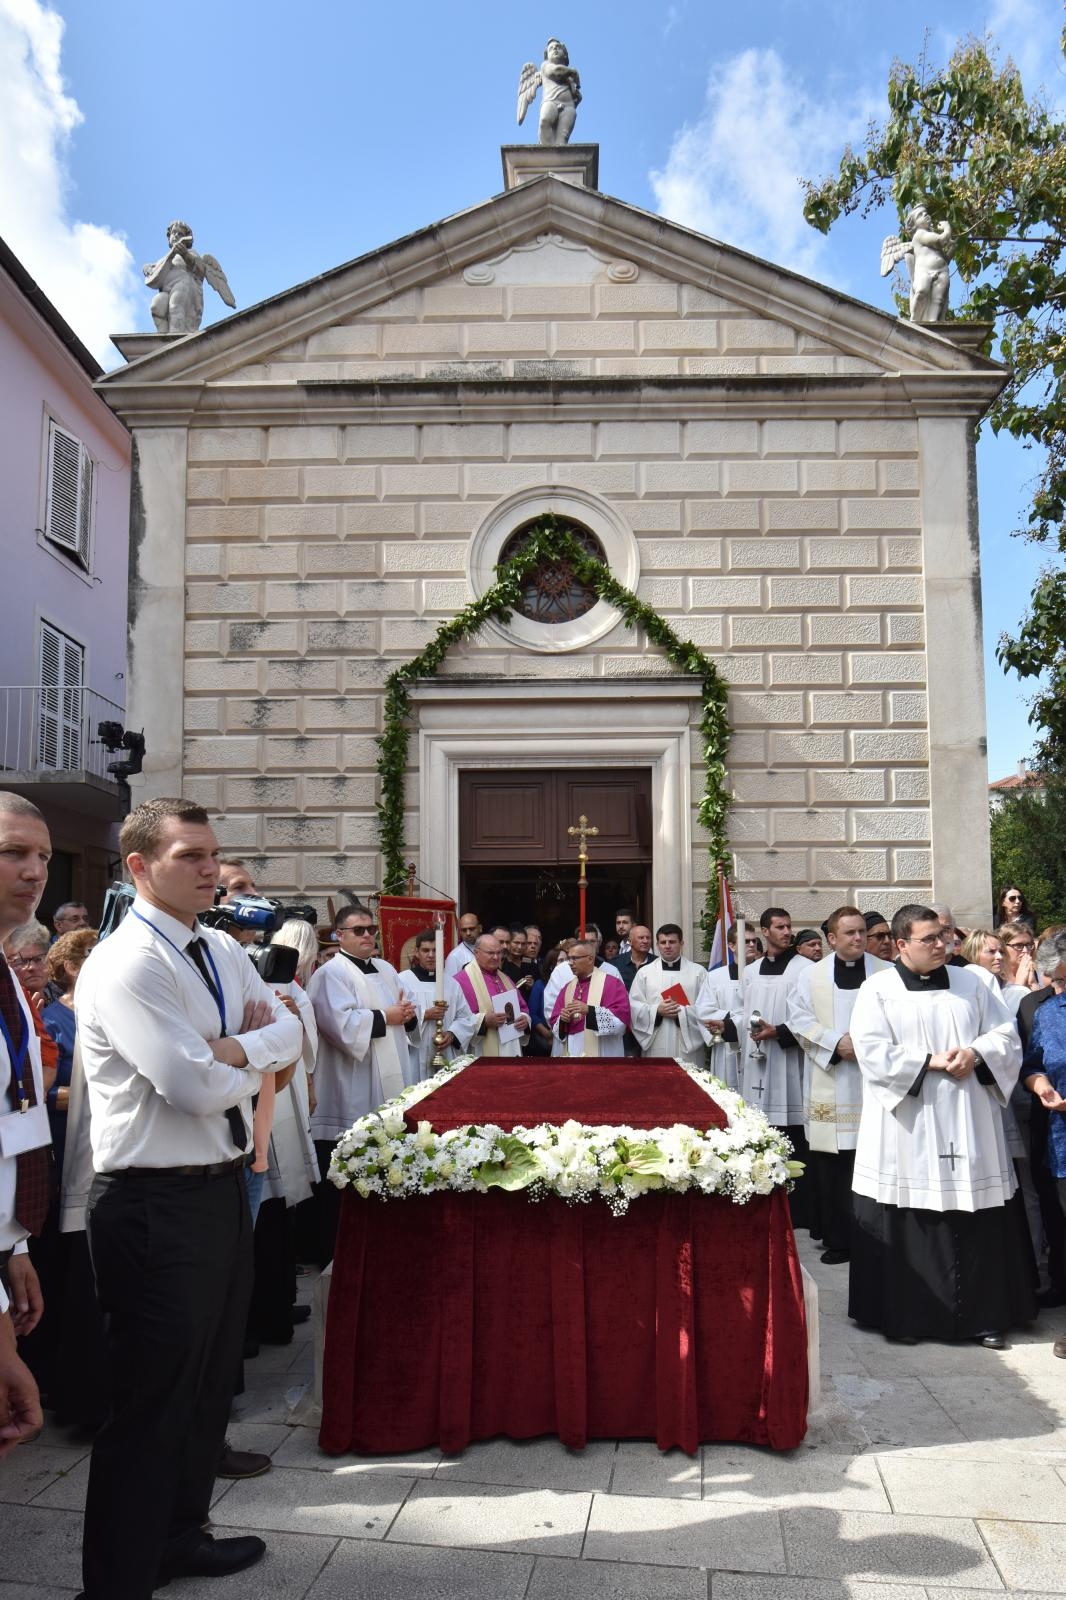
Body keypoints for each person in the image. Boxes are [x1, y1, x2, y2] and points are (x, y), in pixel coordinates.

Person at [74, 796, 303, 1597]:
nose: (211, 870)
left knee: (208, 1383)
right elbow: (187, 1086)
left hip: (220, 1189)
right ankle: (116, 1577)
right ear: (140, 867)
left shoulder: (216, 948)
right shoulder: (128, 961)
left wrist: (234, 1047)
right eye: (190, 857)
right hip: (151, 1202)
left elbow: (289, 1030)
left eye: (213, 856)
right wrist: (247, 1060)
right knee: (152, 1397)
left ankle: (180, 1534)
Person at [848, 903, 1036, 1348]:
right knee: (913, 1212)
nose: (941, 945)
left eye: (944, 937)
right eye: (929, 939)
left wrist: (976, 1053)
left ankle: (985, 1317)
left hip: (969, 1115)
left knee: (979, 1213)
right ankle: (911, 1315)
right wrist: (926, 1061)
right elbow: (870, 1050)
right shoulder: (877, 990)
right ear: (900, 945)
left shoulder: (974, 981)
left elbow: (1006, 1035)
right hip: (911, 1121)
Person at [308, 903, 416, 1246]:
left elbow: (404, 1009)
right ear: (340, 936)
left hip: (389, 1076)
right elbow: (338, 1026)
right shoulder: (330, 974)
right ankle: (340, 1243)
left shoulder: (385, 968)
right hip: (350, 1081)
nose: (368, 935)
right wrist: (387, 1017)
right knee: (349, 1165)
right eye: (359, 930)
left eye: (372, 929)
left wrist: (408, 1016)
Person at [787, 907, 889, 1265]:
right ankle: (839, 1239)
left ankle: (876, 1236)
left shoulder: (887, 973)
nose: (858, 938)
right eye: (849, 933)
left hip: (874, 1078)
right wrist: (835, 1043)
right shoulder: (810, 976)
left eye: (862, 931)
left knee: (872, 1158)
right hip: (830, 1075)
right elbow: (798, 1018)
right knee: (832, 1165)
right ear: (831, 939)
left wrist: (863, 1044)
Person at [0, 793, 51, 1459]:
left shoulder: (9, 978)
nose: (35, 870)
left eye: (42, 854)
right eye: (12, 853)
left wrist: (13, 1247)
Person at [731, 908, 811, 1221]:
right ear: (765, 931)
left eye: (789, 926)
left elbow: (809, 1018)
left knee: (792, 1130)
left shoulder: (805, 969)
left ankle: (797, 1208)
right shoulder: (749, 972)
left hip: (790, 1061)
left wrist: (777, 1032)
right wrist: (733, 1028)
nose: (786, 932)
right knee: (760, 1127)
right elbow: (741, 1011)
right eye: (779, 927)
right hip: (756, 1061)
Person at [629, 924, 710, 1065]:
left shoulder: (698, 972)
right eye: (663, 942)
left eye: (672, 942)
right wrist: (657, 1011)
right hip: (656, 1043)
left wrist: (682, 1013)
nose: (667, 946)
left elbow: (707, 1008)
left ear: (681, 943)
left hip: (688, 1047)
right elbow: (633, 1007)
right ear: (657, 944)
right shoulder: (645, 973)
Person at [142, 219, 235, 335]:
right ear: (169, 237)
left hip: (185, 289)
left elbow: (201, 269)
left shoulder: (191, 253)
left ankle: (175, 338)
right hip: (166, 291)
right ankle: (163, 340)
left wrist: (185, 254)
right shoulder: (164, 260)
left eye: (180, 234)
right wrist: (147, 268)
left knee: (175, 305)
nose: (175, 235)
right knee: (156, 305)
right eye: (173, 233)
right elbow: (155, 275)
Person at [446, 934, 530, 1057]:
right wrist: (484, 1021)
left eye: (499, 953)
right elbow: (455, 1020)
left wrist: (525, 1019)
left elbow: (523, 1009)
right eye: (490, 953)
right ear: (476, 953)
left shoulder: (505, 979)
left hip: (510, 1047)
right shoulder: (460, 981)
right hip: (480, 1049)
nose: (496, 957)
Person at [549, 941, 631, 1058]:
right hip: (573, 1052)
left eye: (575, 958)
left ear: (590, 959)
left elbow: (621, 1022)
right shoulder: (567, 989)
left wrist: (589, 1010)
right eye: (569, 959)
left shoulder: (612, 984)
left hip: (603, 1053)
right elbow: (555, 1024)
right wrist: (563, 1020)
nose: (570, 963)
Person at [398, 928, 448, 1083]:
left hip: (445, 1053)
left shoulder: (452, 983)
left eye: (435, 950)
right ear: (416, 952)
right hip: (414, 1055)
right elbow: (396, 1015)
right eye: (426, 950)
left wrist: (452, 1035)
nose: (431, 955)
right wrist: (425, 1014)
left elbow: (465, 1018)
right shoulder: (402, 980)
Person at [1000, 919, 1042, 991]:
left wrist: (1033, 984)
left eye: (1028, 945)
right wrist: (1019, 984)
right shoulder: (996, 977)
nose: (1025, 951)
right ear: (1003, 947)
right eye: (1018, 945)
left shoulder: (1039, 973)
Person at [444, 911, 482, 981]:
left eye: (471, 929)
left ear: (480, 928)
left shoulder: (489, 949)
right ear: (460, 932)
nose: (468, 933)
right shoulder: (454, 956)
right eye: (464, 930)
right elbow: (450, 985)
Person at [615, 924, 653, 990]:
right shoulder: (616, 964)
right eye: (641, 938)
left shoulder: (657, 963)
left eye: (648, 938)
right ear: (630, 941)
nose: (645, 941)